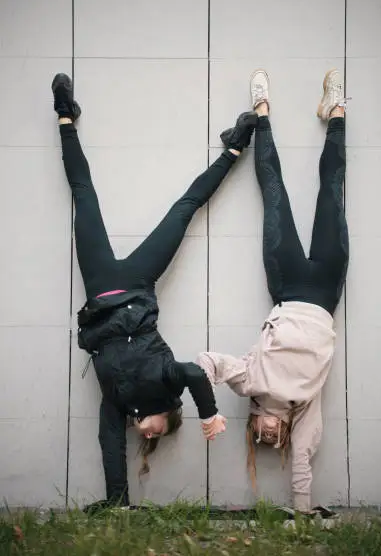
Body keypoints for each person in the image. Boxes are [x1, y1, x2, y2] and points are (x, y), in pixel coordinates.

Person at [51, 74, 258, 510]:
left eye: (147, 437)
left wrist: (117, 502)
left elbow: (111, 444)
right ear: (169, 418)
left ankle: (65, 117)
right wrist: (208, 413)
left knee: (84, 196)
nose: (147, 434)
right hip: (140, 283)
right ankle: (235, 147)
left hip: (101, 288)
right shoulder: (169, 386)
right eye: (158, 434)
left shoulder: (117, 402)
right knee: (184, 209)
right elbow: (195, 374)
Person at [198, 69, 349, 514]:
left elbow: (208, 363)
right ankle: (336, 112)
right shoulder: (305, 409)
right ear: (280, 437)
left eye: (259, 436)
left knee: (274, 191)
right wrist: (302, 510)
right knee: (333, 193)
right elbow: (302, 459)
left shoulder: (251, 382)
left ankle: (262, 114)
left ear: (252, 427)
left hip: (285, 284)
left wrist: (207, 411)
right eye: (272, 441)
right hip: (324, 291)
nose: (268, 435)